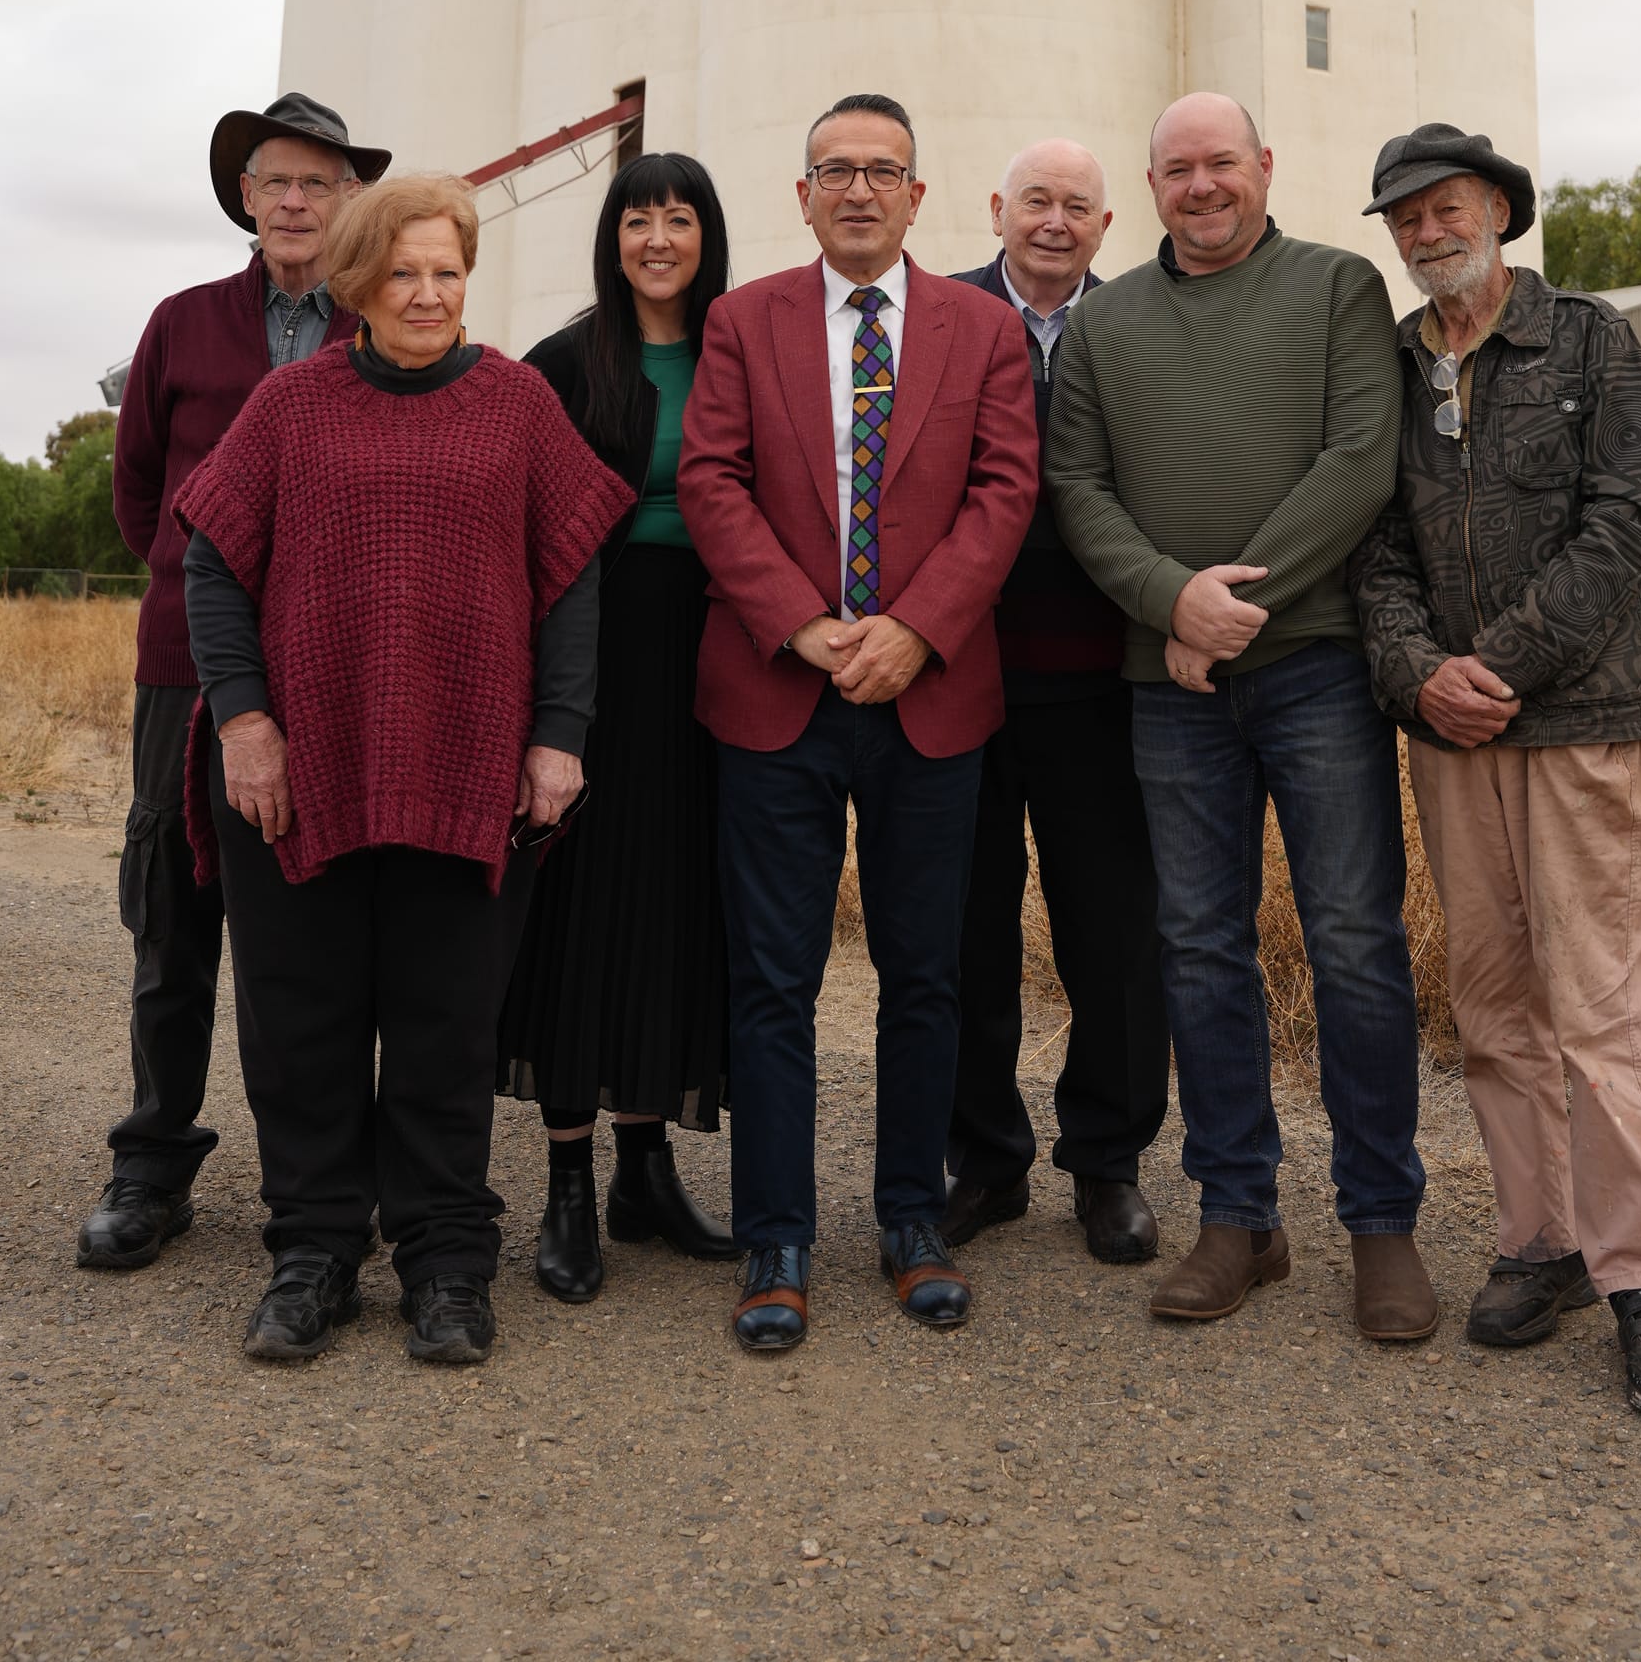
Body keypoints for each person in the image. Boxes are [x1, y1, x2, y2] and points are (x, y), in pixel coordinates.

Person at [174, 172, 635, 1367]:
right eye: (403, 273)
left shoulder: (521, 405)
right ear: (358, 283)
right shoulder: (290, 405)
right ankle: (314, 1254)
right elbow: (212, 563)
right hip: (299, 766)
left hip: (466, 762)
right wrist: (242, 723)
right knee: (303, 1023)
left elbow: (573, 571)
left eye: (448, 271)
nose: (428, 294)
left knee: (444, 1026)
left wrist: (560, 732)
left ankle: (443, 1261)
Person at [1351, 123, 1641, 1422]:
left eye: (1444, 207)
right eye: (1401, 217)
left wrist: (1496, 664)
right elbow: (1376, 548)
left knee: (1599, 1008)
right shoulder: (1392, 367)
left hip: (1579, 725)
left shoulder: (1589, 340)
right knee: (1494, 1001)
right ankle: (1540, 1241)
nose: (1422, 232)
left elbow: (1634, 515)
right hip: (1451, 740)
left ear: (1500, 211)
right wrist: (1418, 674)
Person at [1046, 92, 1432, 1339]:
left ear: (1264, 167)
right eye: (1175, 170)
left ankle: (1380, 1226)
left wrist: (1228, 605)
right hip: (1169, 688)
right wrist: (1170, 604)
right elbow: (1078, 487)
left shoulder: (1333, 289)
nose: (1200, 186)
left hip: (1312, 667)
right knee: (1200, 950)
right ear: (1147, 188)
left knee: (1353, 945)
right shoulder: (1104, 324)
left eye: (1221, 163)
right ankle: (1238, 1218)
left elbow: (1357, 463)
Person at [677, 93, 1037, 1354]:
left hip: (929, 697)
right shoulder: (742, 322)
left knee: (923, 976)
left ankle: (908, 1220)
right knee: (770, 980)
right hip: (776, 691)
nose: (859, 190)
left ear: (918, 197)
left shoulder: (982, 332)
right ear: (803, 193)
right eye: (835, 169)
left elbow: (1004, 491)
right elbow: (708, 480)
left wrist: (916, 629)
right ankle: (774, 1237)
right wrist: (800, 622)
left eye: (883, 171)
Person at [80, 90, 389, 1274]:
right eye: (278, 181)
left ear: (350, 198)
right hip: (189, 664)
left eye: (321, 180)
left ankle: (320, 1174)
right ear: (246, 199)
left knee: (317, 923)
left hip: (340, 665)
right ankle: (153, 1158)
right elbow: (141, 493)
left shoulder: (381, 325)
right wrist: (198, 599)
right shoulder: (183, 323)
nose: (300, 199)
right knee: (172, 910)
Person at [498, 153, 735, 1300]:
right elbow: (527, 528)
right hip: (593, 661)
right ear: (613, 235)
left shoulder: (738, 352)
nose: (656, 237)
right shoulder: (562, 362)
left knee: (678, 903)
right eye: (637, 217)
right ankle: (567, 1190)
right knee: (583, 909)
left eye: (678, 218)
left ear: (706, 236)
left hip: (715, 657)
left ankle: (646, 1171)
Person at [943, 140, 1169, 1266]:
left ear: (1104, 225)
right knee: (964, 929)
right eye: (1035, 200)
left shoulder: (1136, 329)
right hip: (957, 673)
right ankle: (983, 1161)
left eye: (1076, 205)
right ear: (995, 210)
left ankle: (1107, 1165)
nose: (1053, 221)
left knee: (1113, 932)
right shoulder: (937, 319)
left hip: (1099, 676)